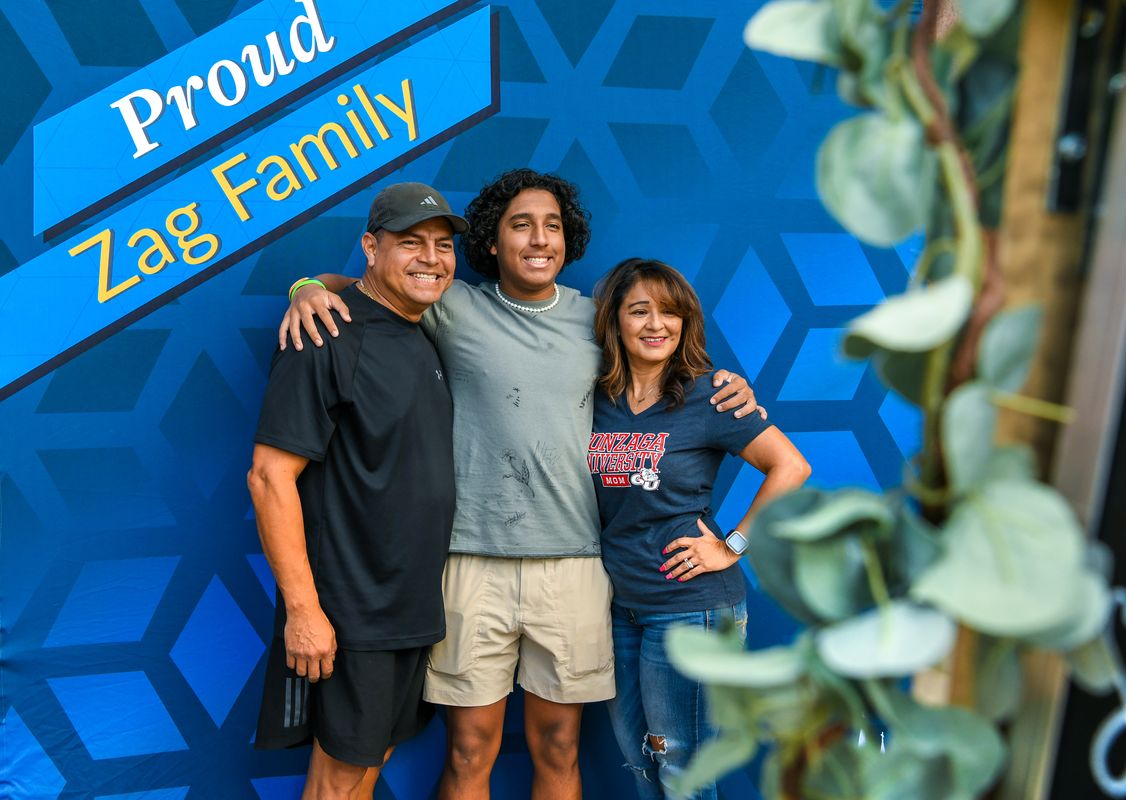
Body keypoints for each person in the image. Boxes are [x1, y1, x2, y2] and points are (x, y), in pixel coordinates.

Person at [279, 168, 759, 800]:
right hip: (470, 563)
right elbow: (371, 290)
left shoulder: (598, 320)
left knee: (558, 748)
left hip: (574, 565)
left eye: (552, 226)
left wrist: (730, 386)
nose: (539, 239)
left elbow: (661, 347)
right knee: (470, 749)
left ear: (568, 239)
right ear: (493, 241)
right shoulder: (450, 304)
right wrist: (307, 286)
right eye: (521, 225)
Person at [247, 182, 465, 799]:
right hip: (352, 613)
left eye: (443, 246)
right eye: (411, 243)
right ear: (370, 248)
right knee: (339, 781)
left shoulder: (423, 331)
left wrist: (311, 282)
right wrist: (303, 612)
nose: (431, 257)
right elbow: (268, 477)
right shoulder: (326, 336)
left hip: (411, 607)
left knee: (367, 765)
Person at [589, 258, 811, 800]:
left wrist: (732, 545)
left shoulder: (710, 394)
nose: (656, 324)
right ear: (615, 321)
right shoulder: (595, 397)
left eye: (671, 313)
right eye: (639, 311)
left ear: (687, 323)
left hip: (692, 608)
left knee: (683, 770)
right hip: (623, 607)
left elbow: (792, 467)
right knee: (641, 762)